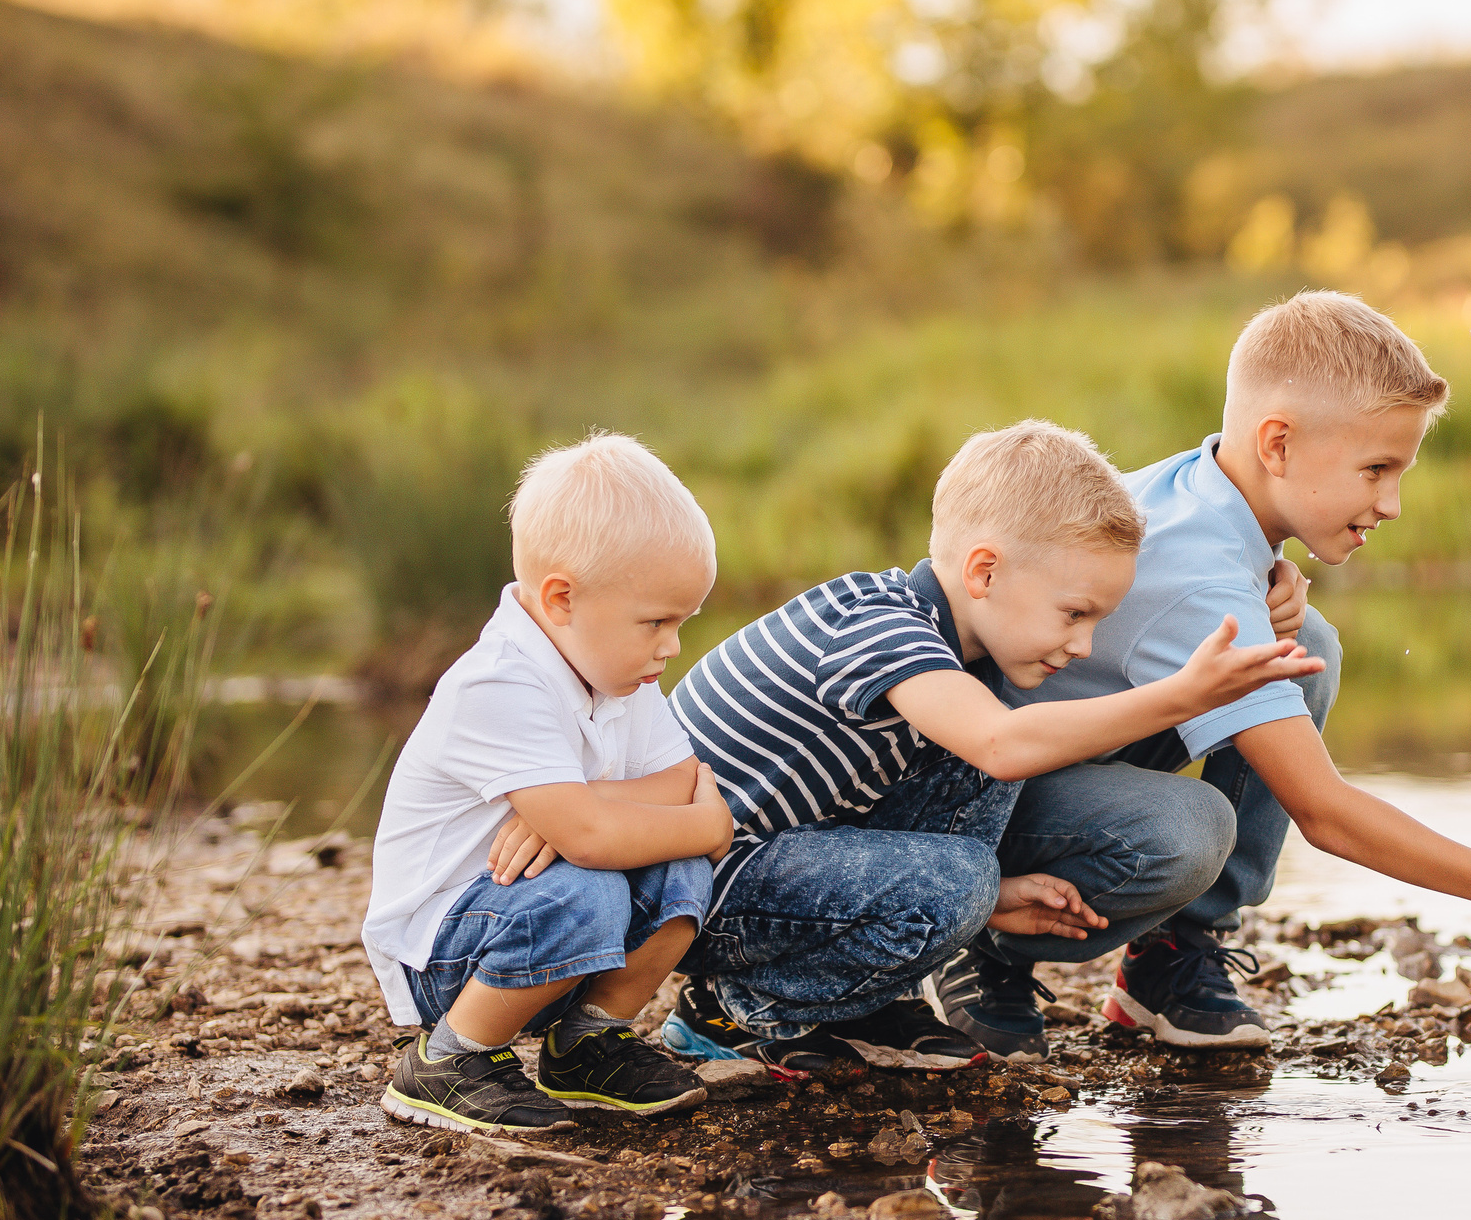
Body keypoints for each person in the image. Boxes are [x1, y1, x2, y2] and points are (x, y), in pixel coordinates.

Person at [928, 291, 1471, 1057]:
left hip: (1057, 754)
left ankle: (1174, 957)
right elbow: (1326, 815)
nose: (1391, 503)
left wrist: (1271, 576)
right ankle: (979, 944)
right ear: (1277, 445)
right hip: (969, 804)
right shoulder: (1199, 580)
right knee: (1190, 831)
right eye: (1376, 469)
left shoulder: (1197, 483)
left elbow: (1200, 593)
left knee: (1302, 643)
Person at [664, 420, 1321, 1074]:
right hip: (698, 888)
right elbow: (1001, 745)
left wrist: (998, 897)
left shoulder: (961, 654)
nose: (1086, 644)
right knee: (967, 858)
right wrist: (1185, 694)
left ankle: (873, 1000)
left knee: (982, 824)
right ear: (984, 571)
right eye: (1074, 614)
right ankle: (740, 1005)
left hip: (786, 869)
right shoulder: (877, 624)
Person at [361, 432, 732, 1135]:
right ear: (562, 598)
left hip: (540, 922)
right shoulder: (500, 678)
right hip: (449, 949)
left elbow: (681, 777)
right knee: (595, 883)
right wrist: (709, 828)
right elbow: (596, 838)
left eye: (683, 622)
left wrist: (581, 806)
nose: (672, 645)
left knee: (678, 868)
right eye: (656, 621)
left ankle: (586, 1044)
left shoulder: (617, 669)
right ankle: (449, 1057)